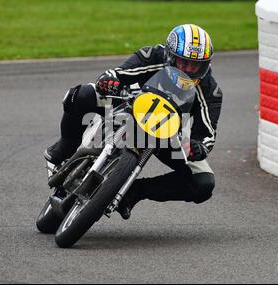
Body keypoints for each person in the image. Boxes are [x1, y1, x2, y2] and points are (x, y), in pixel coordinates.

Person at [45, 24, 223, 220]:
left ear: (205, 65)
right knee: (79, 95)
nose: (188, 70)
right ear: (171, 56)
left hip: (169, 135)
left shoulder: (211, 91)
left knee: (204, 183)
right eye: (183, 62)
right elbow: (119, 73)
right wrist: (109, 80)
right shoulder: (153, 55)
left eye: (195, 65)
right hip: (129, 104)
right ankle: (62, 151)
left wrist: (198, 147)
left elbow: (207, 135)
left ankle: (134, 192)